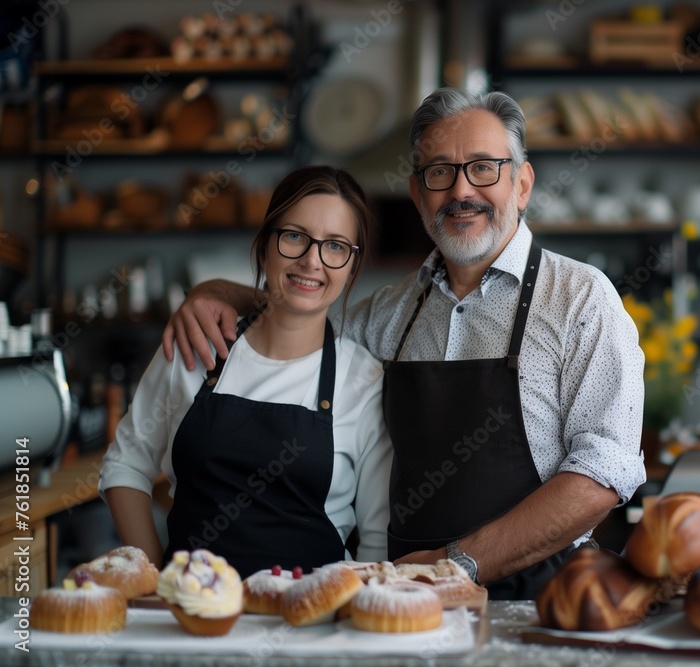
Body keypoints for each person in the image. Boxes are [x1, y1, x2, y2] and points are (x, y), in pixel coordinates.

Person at [162, 88, 646, 599]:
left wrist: (455, 564)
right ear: (417, 194)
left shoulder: (579, 298)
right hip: (403, 602)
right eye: (439, 172)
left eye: (484, 168)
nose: (461, 191)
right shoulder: (383, 315)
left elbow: (602, 472)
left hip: (540, 603)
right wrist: (219, 292)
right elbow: (296, 324)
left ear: (522, 184)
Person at [100, 166, 393, 578]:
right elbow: (126, 464)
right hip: (191, 620)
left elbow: (377, 543)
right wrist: (153, 580)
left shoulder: (364, 381)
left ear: (351, 266)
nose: (312, 260)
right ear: (265, 245)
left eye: (336, 246)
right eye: (294, 236)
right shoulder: (198, 343)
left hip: (310, 626)